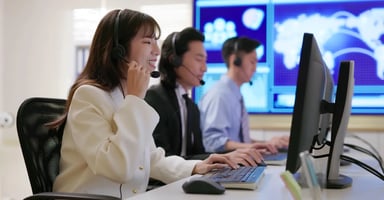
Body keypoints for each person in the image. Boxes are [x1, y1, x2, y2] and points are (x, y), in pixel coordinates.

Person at [52, 9, 239, 199]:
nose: (157, 51)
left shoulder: (125, 97)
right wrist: (135, 99)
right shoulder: (89, 96)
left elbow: (150, 159)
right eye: (148, 42)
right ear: (119, 49)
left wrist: (197, 167)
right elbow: (117, 167)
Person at [144, 27, 264, 165]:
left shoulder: (190, 106)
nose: (204, 68)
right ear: (175, 60)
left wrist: (228, 158)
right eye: (199, 59)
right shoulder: (154, 99)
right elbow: (160, 161)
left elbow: (197, 154)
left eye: (205, 61)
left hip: (185, 181)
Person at [199, 36, 289, 153]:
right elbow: (213, 142)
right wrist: (251, 147)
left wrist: (267, 144)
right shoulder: (219, 95)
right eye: (252, 62)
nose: (255, 69)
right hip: (225, 168)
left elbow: (237, 141)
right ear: (235, 60)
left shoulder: (234, 94)